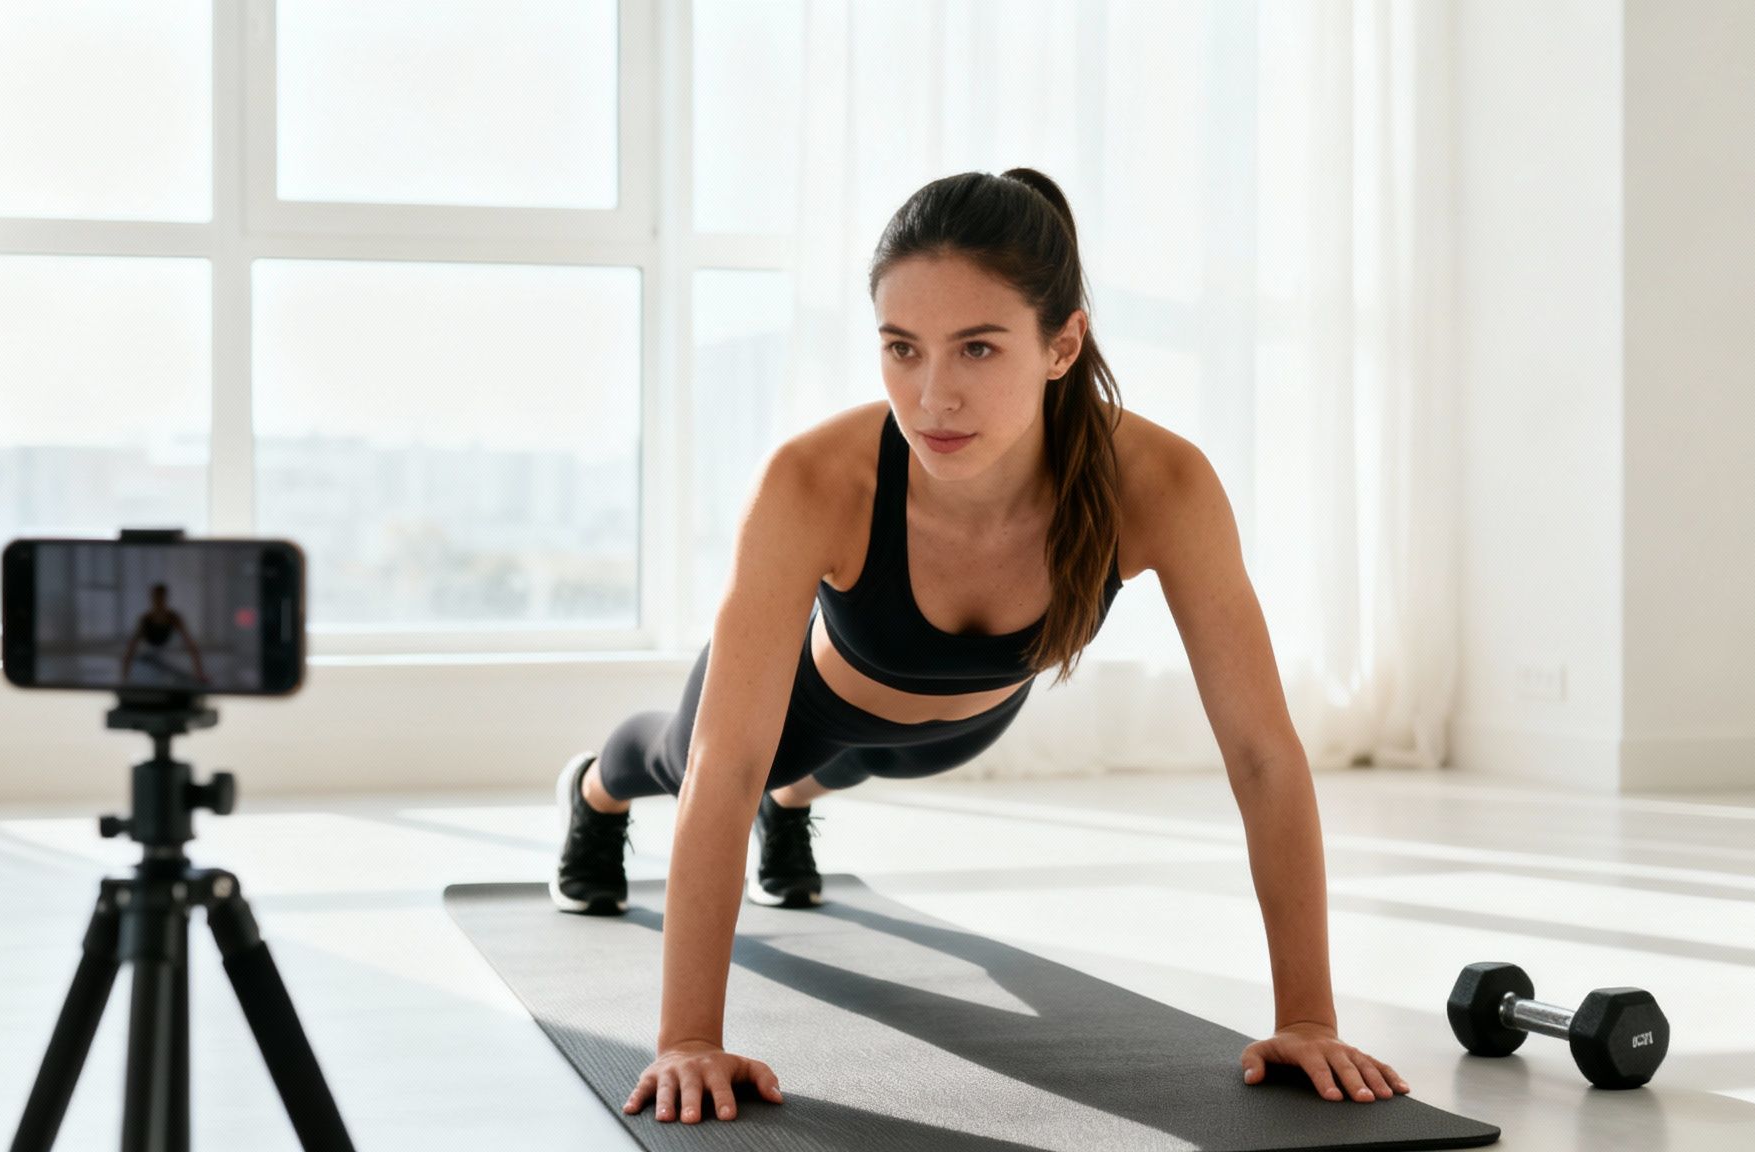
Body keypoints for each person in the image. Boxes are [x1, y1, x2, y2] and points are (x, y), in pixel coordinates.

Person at [550, 168, 1410, 1125]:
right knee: (677, 758)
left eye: (978, 348)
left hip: (964, 726)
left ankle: (791, 811)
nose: (933, 396)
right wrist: (691, 1041)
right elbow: (726, 759)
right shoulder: (814, 480)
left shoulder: (1160, 483)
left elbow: (1261, 750)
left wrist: (1309, 1017)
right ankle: (589, 789)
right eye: (902, 348)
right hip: (803, 709)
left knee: (847, 771)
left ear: (1062, 343)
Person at [119, 582, 207, 687]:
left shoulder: (173, 618)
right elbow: (131, 649)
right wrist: (124, 678)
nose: (158, 601)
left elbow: (191, 646)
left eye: (160, 598)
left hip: (167, 661)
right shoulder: (146, 620)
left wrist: (199, 672)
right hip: (148, 662)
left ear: (165, 598)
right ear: (152, 598)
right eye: (156, 598)